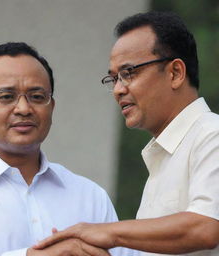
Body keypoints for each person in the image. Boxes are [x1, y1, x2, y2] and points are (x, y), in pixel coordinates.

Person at [33, 11, 219, 256]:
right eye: (113, 78)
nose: (118, 90)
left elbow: (206, 227)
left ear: (175, 73)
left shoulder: (211, 134)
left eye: (129, 73)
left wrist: (109, 232)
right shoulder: (163, 155)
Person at [0, 42, 135, 256]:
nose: (24, 108)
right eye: (6, 97)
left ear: (51, 107)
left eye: (37, 97)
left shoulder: (90, 196)